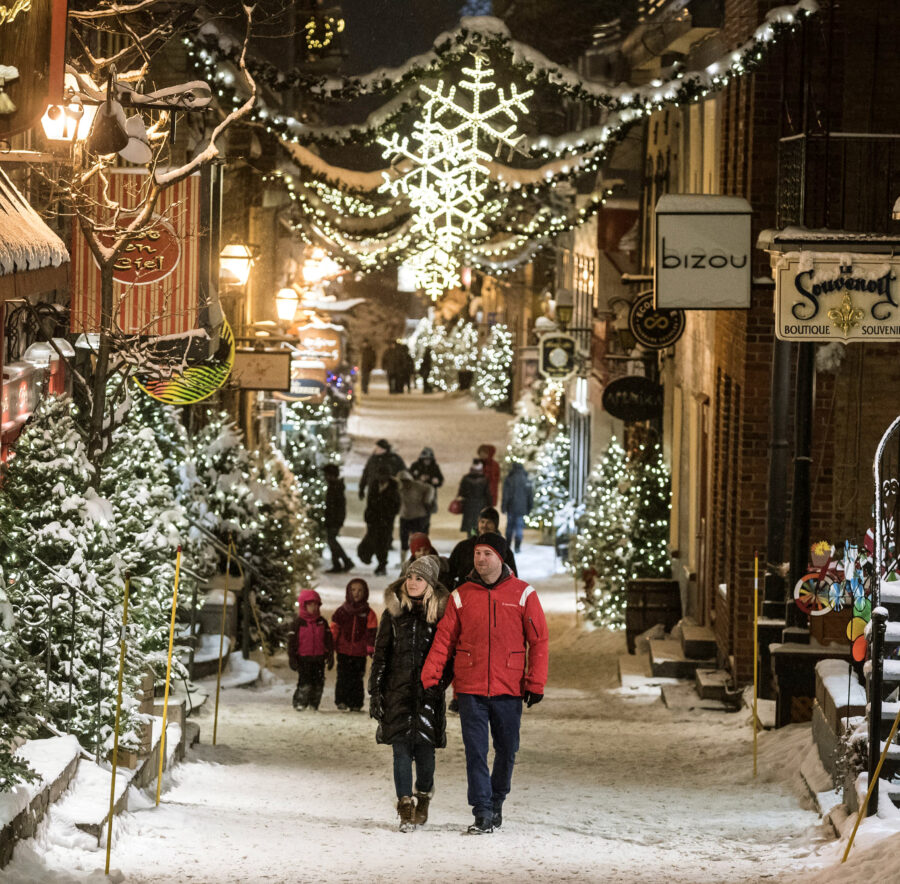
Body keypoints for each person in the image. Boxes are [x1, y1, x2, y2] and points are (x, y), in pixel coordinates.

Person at [421, 533, 548, 834]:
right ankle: (482, 810)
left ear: (500, 558)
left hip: (509, 687)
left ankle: (497, 799)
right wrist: (431, 675)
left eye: (487, 553)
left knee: (507, 749)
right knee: (475, 750)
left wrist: (535, 682)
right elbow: (444, 640)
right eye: (477, 553)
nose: (480, 559)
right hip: (470, 687)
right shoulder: (460, 595)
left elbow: (539, 640)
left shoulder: (523, 594)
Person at [369, 555, 452, 832]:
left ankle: (424, 794)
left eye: (419, 578)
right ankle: (405, 805)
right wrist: (375, 692)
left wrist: (440, 684)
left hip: (428, 697)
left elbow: (449, 658)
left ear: (430, 584)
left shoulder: (440, 616)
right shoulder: (393, 615)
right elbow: (380, 656)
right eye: (409, 577)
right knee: (401, 752)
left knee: (426, 756)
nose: (413, 582)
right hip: (397, 693)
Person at [331, 578, 377, 711]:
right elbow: (334, 628)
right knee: (343, 676)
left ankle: (356, 702)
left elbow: (372, 630)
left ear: (365, 593)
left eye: (360, 590)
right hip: (343, 650)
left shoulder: (368, 613)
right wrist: (332, 643)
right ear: (348, 592)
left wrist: (371, 645)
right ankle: (342, 700)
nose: (356, 593)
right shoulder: (341, 611)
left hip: (359, 651)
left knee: (357, 677)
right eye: (353, 590)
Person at [448, 506, 517, 589]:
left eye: (489, 522)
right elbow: (450, 572)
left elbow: (512, 578)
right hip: (466, 595)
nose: (485, 525)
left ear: (496, 525)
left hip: (493, 596)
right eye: (482, 521)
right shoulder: (464, 546)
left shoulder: (503, 549)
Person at [287, 588, 334, 711]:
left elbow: (328, 640)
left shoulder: (322, 622)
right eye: (310, 605)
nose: (313, 608)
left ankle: (314, 703)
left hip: (319, 658)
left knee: (318, 683)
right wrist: (292, 657)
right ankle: (300, 702)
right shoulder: (298, 623)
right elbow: (292, 643)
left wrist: (330, 655)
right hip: (303, 658)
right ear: (304, 606)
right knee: (305, 682)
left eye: (315, 605)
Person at [361, 473, 400, 576]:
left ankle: (382, 565)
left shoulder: (393, 489)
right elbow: (370, 503)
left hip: (386, 522)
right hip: (374, 520)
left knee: (383, 544)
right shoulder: (374, 486)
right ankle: (375, 561)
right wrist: (368, 516)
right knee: (373, 541)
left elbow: (396, 506)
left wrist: (388, 515)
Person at [396, 470, 435, 554]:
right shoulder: (399, 487)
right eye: (402, 481)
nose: (405, 483)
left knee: (419, 541)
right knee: (404, 540)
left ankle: (419, 561)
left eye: (406, 481)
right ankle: (404, 562)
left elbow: (430, 488)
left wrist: (427, 500)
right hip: (405, 517)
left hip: (419, 517)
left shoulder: (418, 485)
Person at [323, 463, 353, 573]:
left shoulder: (335, 487)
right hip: (333, 519)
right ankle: (338, 563)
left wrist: (336, 520)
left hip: (334, 520)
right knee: (332, 541)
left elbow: (338, 506)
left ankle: (345, 561)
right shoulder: (335, 486)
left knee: (332, 541)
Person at [501, 461, 534, 555]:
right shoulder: (526, 479)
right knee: (519, 527)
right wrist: (530, 507)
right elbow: (530, 495)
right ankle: (517, 547)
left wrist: (504, 506)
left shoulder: (509, 479)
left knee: (509, 527)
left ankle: (507, 546)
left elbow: (506, 494)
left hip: (511, 507)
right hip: (521, 508)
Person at [409, 446, 444, 532]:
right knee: (415, 519)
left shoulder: (435, 467)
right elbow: (408, 479)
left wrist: (436, 481)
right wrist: (418, 479)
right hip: (416, 497)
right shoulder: (415, 466)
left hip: (429, 498)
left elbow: (440, 480)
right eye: (425, 459)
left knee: (426, 519)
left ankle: (423, 537)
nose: (427, 461)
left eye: (429, 459)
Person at [456, 459, 491, 537]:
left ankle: (471, 540)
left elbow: (462, 492)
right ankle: (477, 540)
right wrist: (489, 505)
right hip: (480, 505)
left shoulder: (466, 479)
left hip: (468, 504)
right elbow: (487, 494)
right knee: (478, 523)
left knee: (470, 525)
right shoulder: (484, 479)